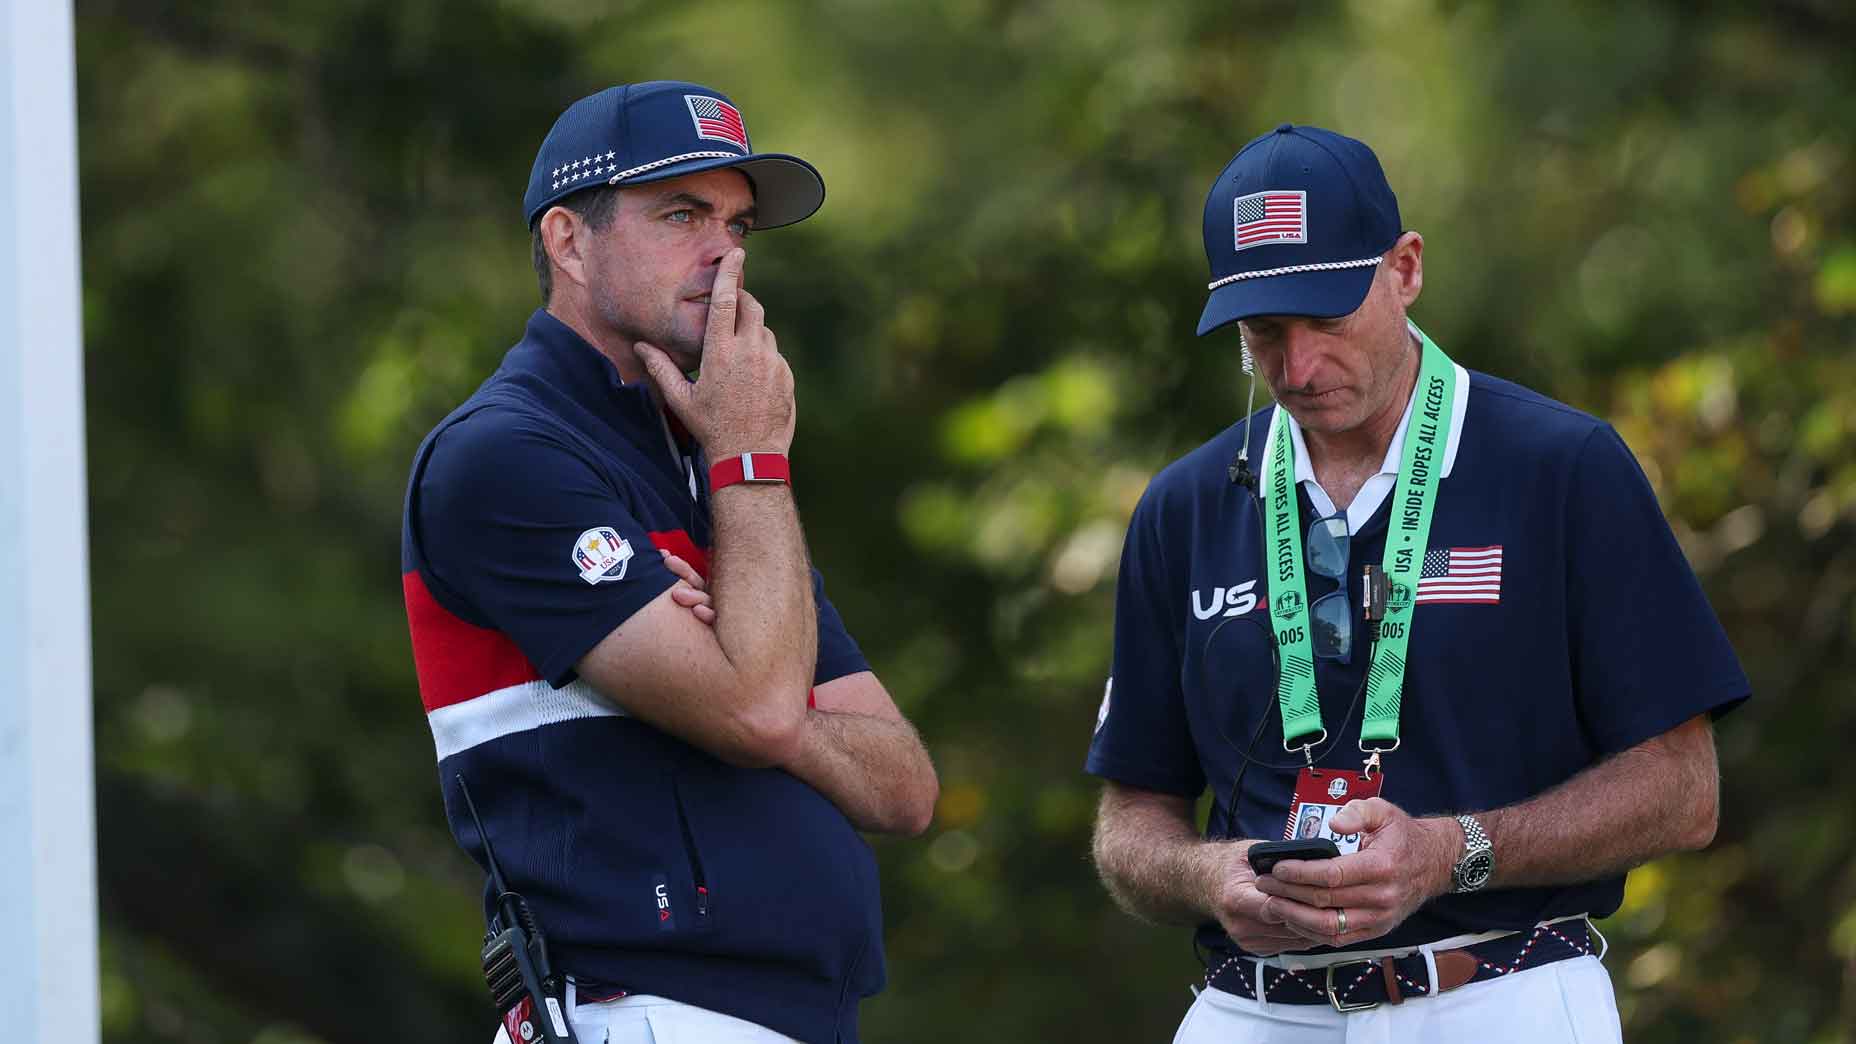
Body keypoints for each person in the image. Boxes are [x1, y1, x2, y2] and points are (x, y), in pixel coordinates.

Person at [1085, 123, 1746, 1042]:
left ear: (1405, 270)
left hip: (1499, 993)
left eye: (1328, 318)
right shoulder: (1185, 506)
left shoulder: (1562, 467)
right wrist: (1212, 877)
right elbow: (1130, 821)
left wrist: (1452, 853)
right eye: (1265, 333)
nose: (1299, 368)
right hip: (1252, 1007)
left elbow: (1684, 790)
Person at [399, 81, 939, 1044]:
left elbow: (902, 787)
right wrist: (752, 471)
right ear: (568, 240)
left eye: (735, 223)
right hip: (640, 1011)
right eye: (681, 213)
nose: (725, 252)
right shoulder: (505, 453)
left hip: (793, 1016)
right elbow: (760, 707)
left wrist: (752, 679)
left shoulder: (714, 471)